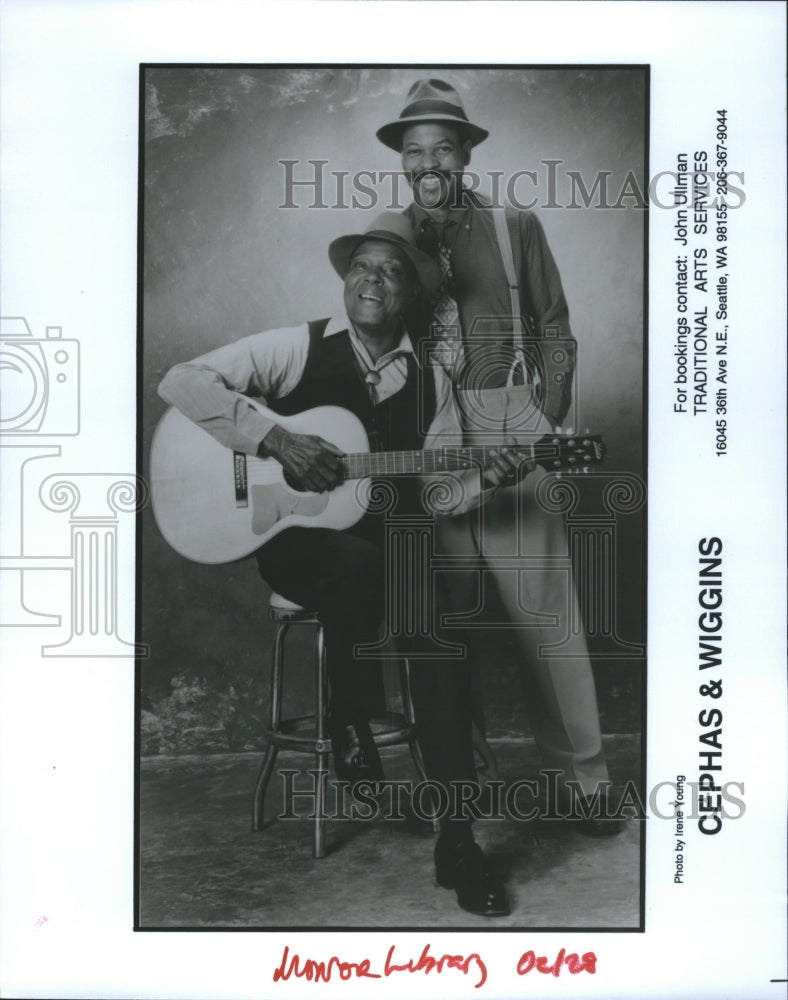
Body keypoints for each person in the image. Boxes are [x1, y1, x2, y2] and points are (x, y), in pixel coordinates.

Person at [158, 212, 521, 915]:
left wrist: (490, 473)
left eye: (391, 271)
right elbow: (182, 380)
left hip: (395, 542)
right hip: (298, 542)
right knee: (354, 567)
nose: (373, 280)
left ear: (411, 293)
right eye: (362, 266)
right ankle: (348, 717)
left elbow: (441, 490)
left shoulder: (434, 377)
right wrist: (275, 441)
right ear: (345, 280)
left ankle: (458, 838)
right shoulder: (296, 347)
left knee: (439, 630)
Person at [376, 78, 624, 833]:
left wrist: (544, 414)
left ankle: (580, 782)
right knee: (446, 624)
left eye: (442, 148)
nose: (428, 162)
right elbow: (375, 336)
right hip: (428, 435)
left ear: (464, 153)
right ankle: (466, 778)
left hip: (514, 416)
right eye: (414, 150)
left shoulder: (515, 222)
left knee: (549, 620)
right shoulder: (386, 232)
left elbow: (554, 321)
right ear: (402, 160)